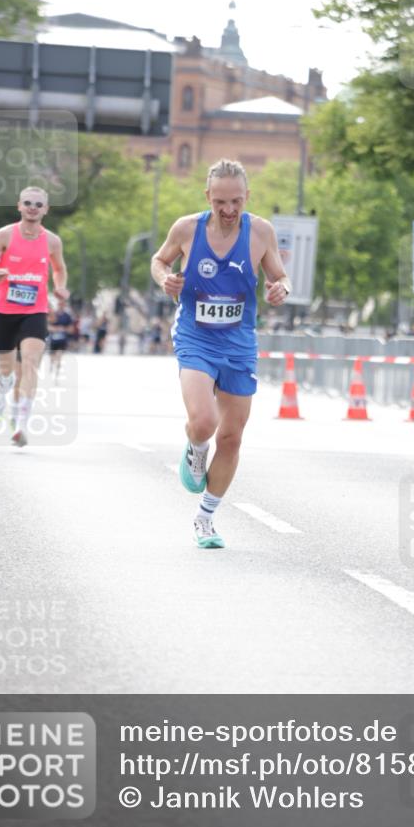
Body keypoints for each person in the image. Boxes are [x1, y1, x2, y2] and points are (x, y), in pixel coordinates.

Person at [151, 158, 291, 549]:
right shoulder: (186, 228)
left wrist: (282, 288)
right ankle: (195, 449)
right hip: (196, 336)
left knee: (231, 437)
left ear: (247, 197)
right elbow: (159, 260)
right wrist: (166, 279)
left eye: (236, 202)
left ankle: (205, 518)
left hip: (239, 342)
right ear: (207, 197)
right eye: (220, 203)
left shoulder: (260, 231)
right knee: (203, 421)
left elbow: (280, 275)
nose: (229, 211)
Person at [0, 186, 69, 446]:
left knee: (30, 362)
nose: (32, 207)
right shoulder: (4, 235)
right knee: (6, 370)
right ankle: (3, 395)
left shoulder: (52, 241)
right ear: (19, 206)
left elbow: (59, 270)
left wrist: (60, 288)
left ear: (45, 209)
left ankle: (21, 422)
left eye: (38, 204)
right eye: (28, 203)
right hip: (4, 310)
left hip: (35, 310)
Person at [48, 299, 75, 377]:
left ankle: (57, 370)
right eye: (60, 304)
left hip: (62, 339)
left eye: (62, 304)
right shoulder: (53, 314)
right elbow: (47, 326)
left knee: (59, 355)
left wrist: (63, 329)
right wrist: (56, 329)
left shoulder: (67, 316)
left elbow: (71, 329)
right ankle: (52, 366)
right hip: (53, 339)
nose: (61, 306)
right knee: (52, 356)